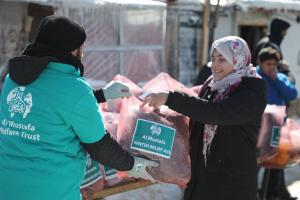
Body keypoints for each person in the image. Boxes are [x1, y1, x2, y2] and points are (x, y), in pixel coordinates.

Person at [0, 15, 158, 200]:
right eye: (82, 48)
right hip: (52, 191)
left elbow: (49, 105)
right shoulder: (74, 88)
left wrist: (101, 95)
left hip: (8, 186)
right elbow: (99, 146)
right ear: (73, 50)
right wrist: (133, 164)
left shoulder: (13, 79)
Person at [143, 36, 267, 200]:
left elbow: (216, 113)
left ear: (238, 59)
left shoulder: (250, 92)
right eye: (213, 58)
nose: (215, 65)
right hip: (203, 178)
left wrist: (171, 99)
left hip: (233, 183)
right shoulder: (212, 85)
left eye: (222, 59)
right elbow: (198, 111)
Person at [256, 47, 298, 200]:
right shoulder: (254, 77)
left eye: (274, 64)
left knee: (274, 161)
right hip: (257, 127)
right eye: (268, 64)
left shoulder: (279, 77)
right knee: (254, 161)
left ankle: (270, 193)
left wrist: (276, 79)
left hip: (275, 127)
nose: (272, 67)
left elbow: (292, 94)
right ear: (260, 62)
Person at [252, 17, 295, 83]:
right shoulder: (268, 44)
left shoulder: (270, 42)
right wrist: (285, 70)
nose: (284, 35)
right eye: (283, 33)